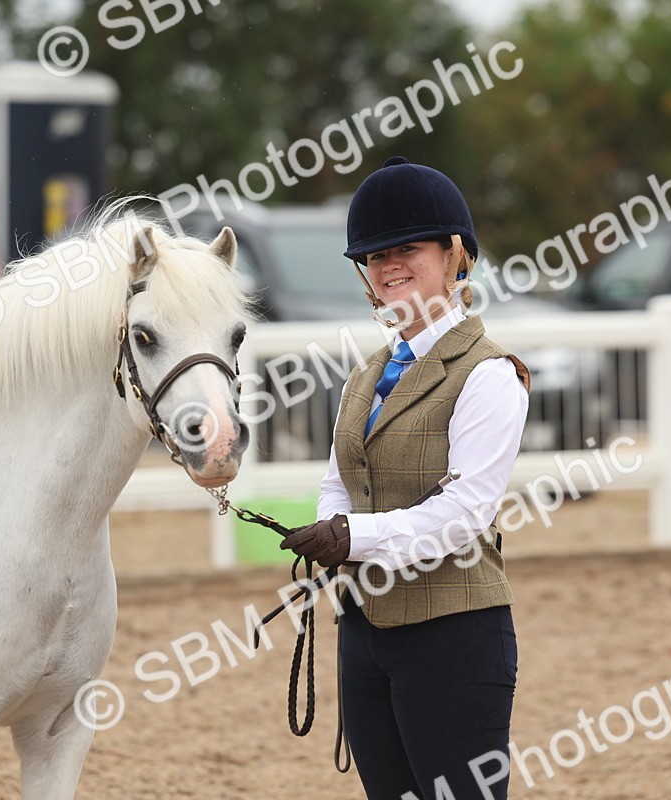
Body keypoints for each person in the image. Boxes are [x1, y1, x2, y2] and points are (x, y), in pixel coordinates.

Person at [280, 156, 530, 800]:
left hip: (454, 634)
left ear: (454, 256)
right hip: (364, 635)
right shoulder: (365, 376)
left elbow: (466, 511)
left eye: (407, 249)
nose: (389, 266)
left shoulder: (488, 374)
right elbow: (341, 481)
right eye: (374, 255)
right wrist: (330, 527)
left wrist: (351, 539)